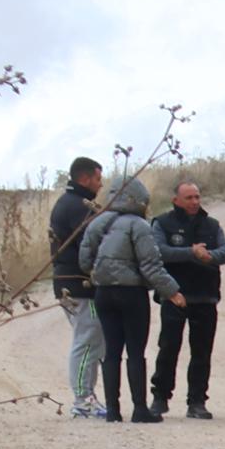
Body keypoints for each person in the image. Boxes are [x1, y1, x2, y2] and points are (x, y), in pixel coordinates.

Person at [78, 177, 181, 422]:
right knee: (136, 351)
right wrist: (173, 291)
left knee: (111, 351)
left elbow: (84, 260)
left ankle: (113, 410)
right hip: (132, 294)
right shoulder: (139, 225)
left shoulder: (96, 223)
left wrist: (98, 274)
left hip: (103, 292)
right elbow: (151, 265)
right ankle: (139, 409)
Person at [149, 177, 225, 420]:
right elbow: (158, 251)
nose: (195, 201)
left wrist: (209, 256)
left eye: (197, 197)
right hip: (175, 296)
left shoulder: (212, 224)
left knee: (202, 352)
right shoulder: (163, 223)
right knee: (168, 348)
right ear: (176, 200)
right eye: (189, 197)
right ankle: (160, 397)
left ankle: (197, 401)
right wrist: (190, 252)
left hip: (205, 297)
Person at [47, 156, 106, 416]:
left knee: (93, 339)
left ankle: (88, 397)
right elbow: (92, 242)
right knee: (87, 339)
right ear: (84, 178)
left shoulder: (74, 203)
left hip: (72, 283)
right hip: (79, 285)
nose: (101, 184)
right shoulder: (76, 206)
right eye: (97, 178)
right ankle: (82, 400)